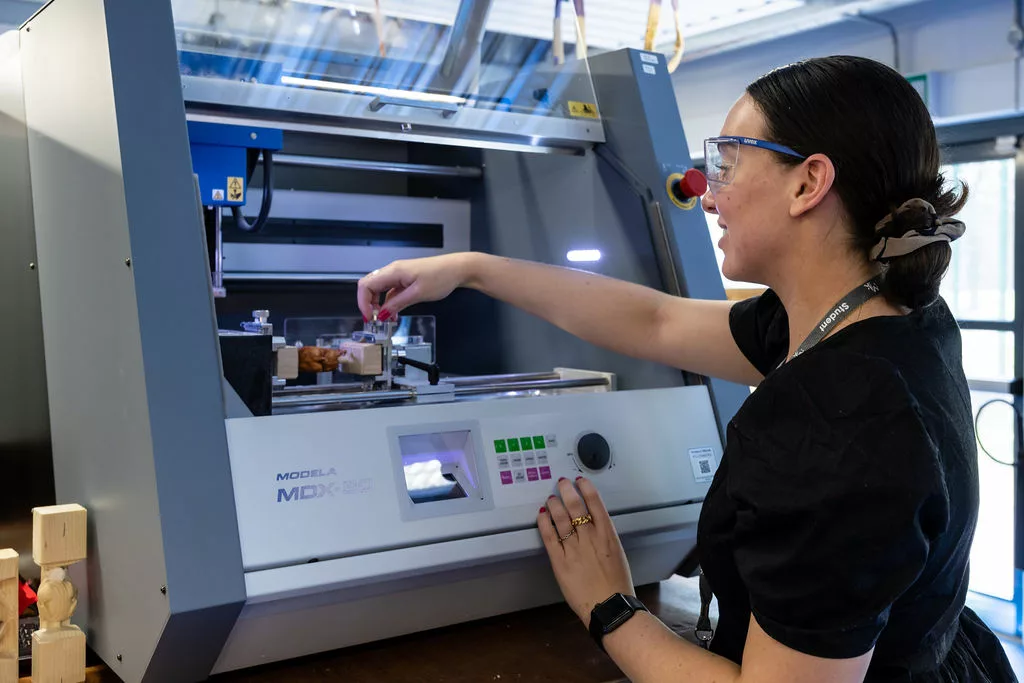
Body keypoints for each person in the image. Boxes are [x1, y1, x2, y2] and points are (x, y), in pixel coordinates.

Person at [356, 55, 1018, 682]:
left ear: (808, 182)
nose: (708, 195)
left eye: (728, 162)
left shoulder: (839, 423)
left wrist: (610, 603)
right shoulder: (878, 318)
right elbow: (656, 322)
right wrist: (473, 269)